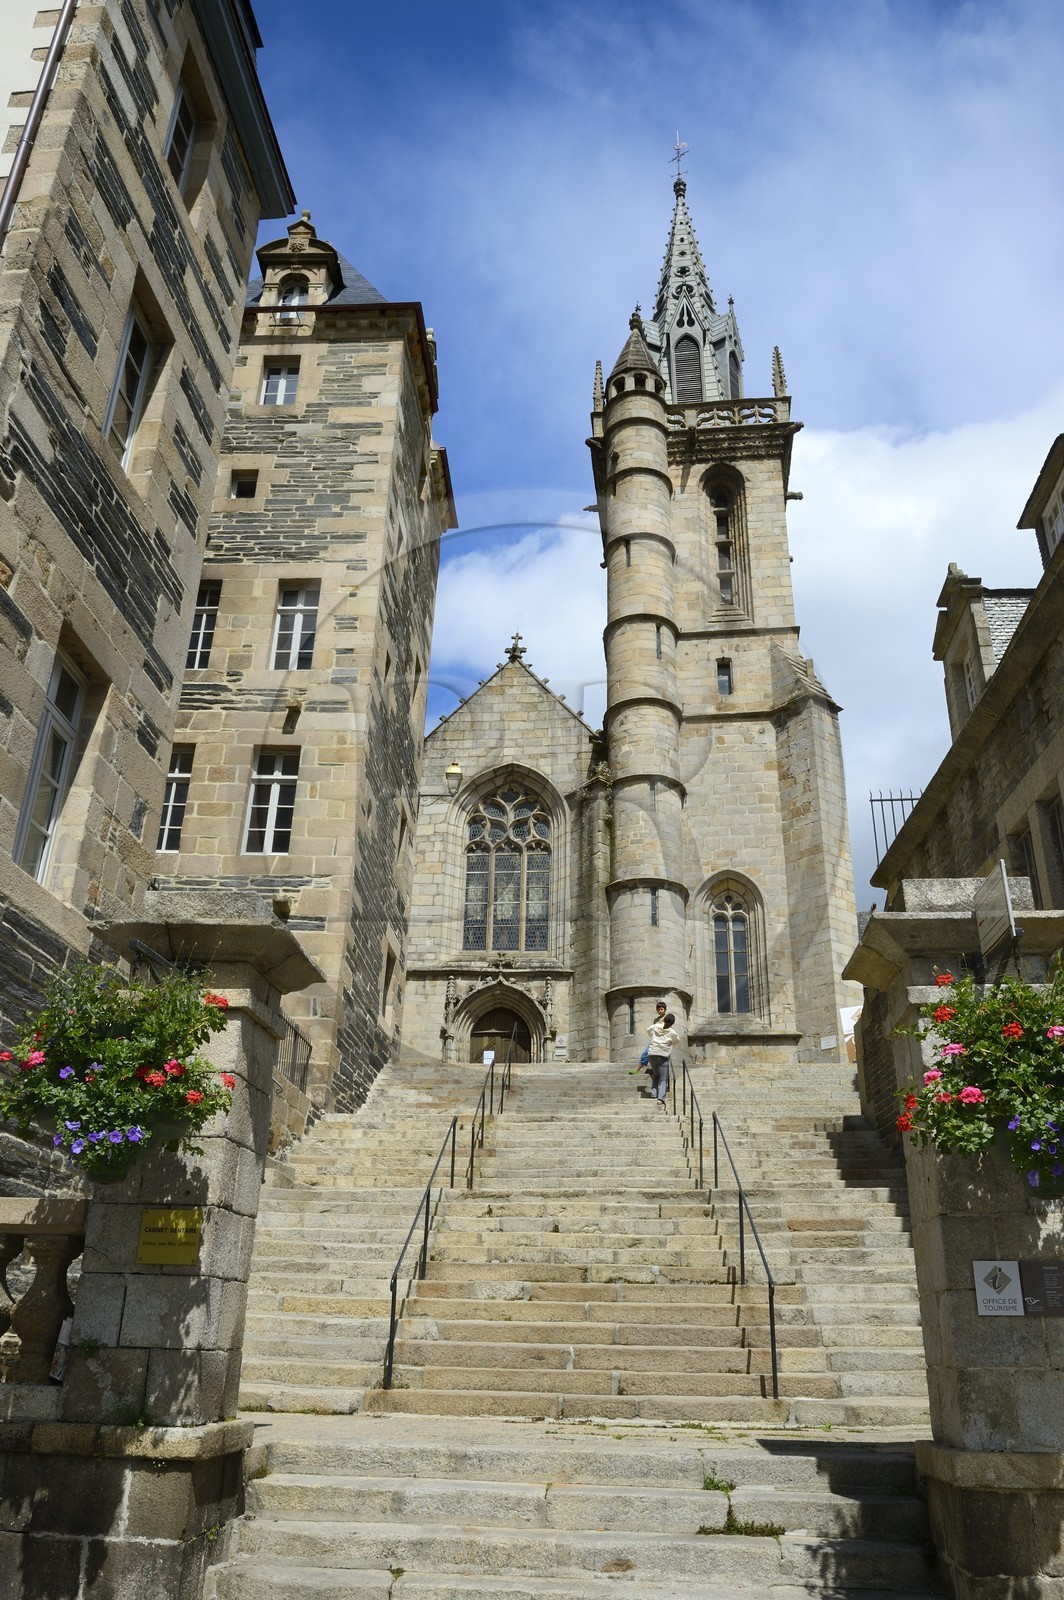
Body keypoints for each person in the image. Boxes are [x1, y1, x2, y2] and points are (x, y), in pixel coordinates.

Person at [645, 1007, 680, 1109]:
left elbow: (648, 1031)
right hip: (663, 1055)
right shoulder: (672, 1032)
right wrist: (669, 1042)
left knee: (656, 1074)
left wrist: (659, 1024)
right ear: (672, 1023)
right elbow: (676, 1041)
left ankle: (654, 1093)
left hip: (652, 1054)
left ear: (663, 1019)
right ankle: (660, 1098)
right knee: (663, 1077)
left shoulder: (655, 1026)